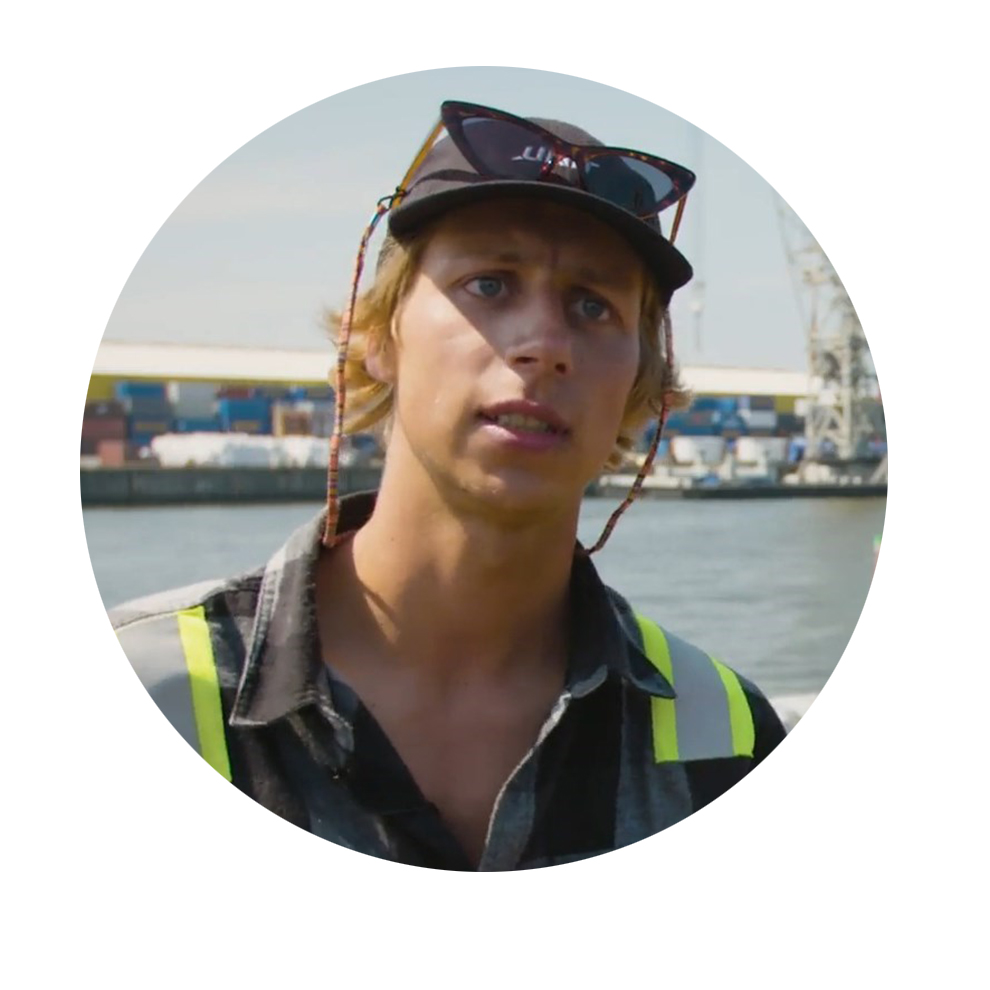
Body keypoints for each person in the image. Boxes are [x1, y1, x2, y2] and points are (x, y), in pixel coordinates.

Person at [112, 99, 786, 871]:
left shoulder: (724, 735)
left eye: (593, 306)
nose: (543, 345)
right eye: (490, 286)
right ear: (375, 338)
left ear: (641, 384)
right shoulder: (150, 690)